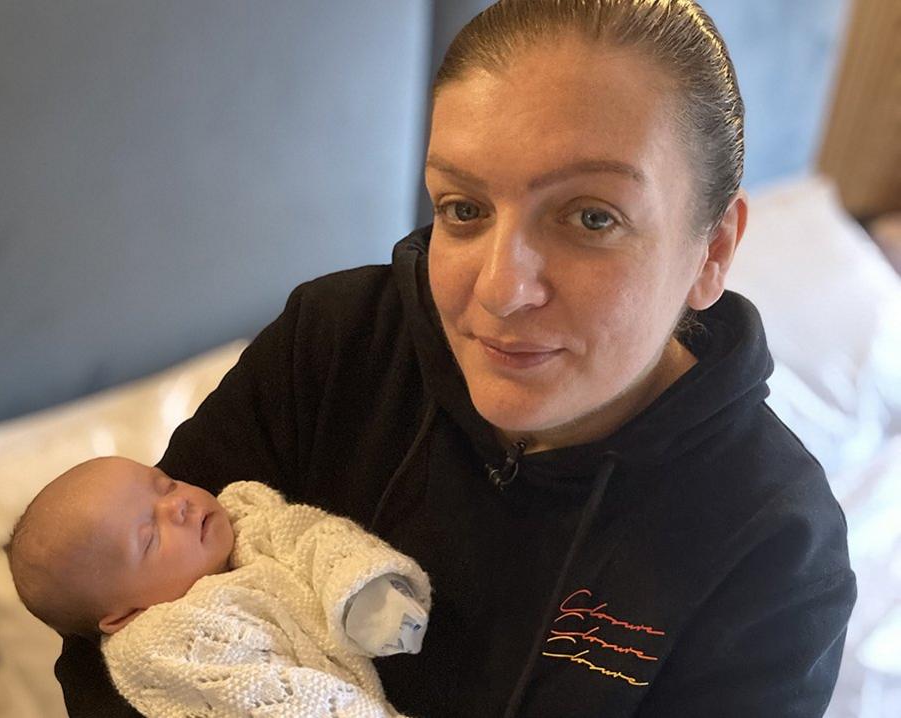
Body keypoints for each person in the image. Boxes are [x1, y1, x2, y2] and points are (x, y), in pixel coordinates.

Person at [55, 1, 857, 716]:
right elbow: (112, 637)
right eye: (463, 209)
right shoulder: (334, 346)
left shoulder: (772, 547)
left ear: (711, 251)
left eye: (590, 217)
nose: (502, 290)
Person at [7, 456, 429, 717]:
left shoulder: (241, 512)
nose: (179, 504)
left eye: (165, 484)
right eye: (150, 537)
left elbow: (314, 536)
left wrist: (362, 590)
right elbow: (281, 701)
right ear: (125, 615)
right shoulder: (164, 640)